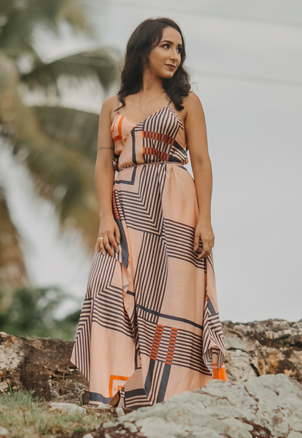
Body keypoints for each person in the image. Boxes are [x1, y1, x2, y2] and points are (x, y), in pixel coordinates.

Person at [71, 17, 226, 410]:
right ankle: (104, 393)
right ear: (144, 50)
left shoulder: (186, 102)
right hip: (126, 206)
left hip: (175, 208)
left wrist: (205, 220)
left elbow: (203, 163)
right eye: (166, 47)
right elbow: (103, 165)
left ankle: (165, 401)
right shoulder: (113, 106)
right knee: (108, 288)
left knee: (171, 300)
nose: (175, 55)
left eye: (179, 49)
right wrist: (105, 218)